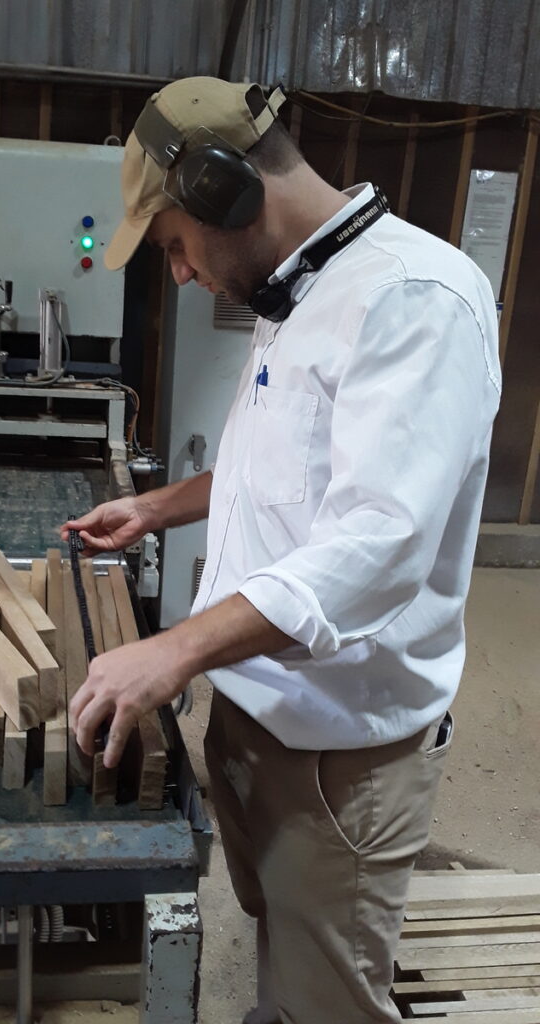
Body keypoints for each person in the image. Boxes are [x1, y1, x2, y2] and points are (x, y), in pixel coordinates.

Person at [62, 77, 501, 1024]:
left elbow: (378, 546)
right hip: (256, 709)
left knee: (331, 997)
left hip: (341, 756)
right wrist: (159, 508)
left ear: (225, 188)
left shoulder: (413, 301)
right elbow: (283, 469)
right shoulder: (294, 290)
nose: (178, 273)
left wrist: (173, 648)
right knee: (277, 936)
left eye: (176, 245)